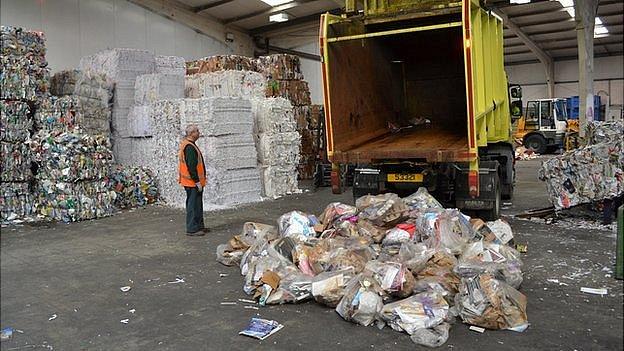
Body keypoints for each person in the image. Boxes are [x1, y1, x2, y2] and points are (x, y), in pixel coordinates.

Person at [178, 124, 209, 236]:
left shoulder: (190, 145)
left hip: (193, 182)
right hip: (192, 183)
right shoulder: (189, 147)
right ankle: (192, 228)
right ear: (192, 134)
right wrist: (196, 181)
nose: (199, 133)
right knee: (192, 205)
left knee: (197, 204)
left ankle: (199, 226)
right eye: (197, 131)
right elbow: (191, 166)